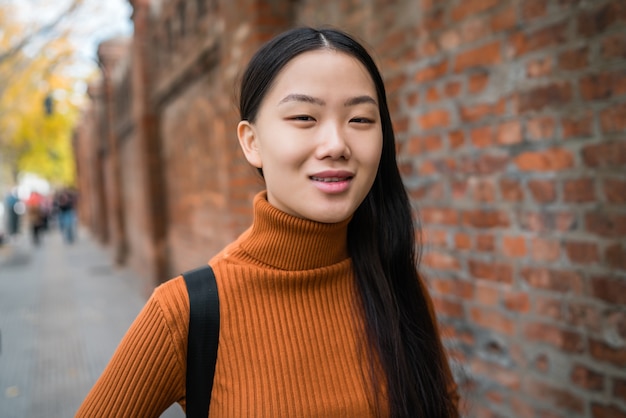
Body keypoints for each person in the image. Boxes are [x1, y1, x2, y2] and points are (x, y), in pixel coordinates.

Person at [76, 27, 459, 417]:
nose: (336, 145)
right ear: (251, 142)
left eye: (360, 119)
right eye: (304, 117)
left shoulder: (396, 284)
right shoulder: (186, 313)